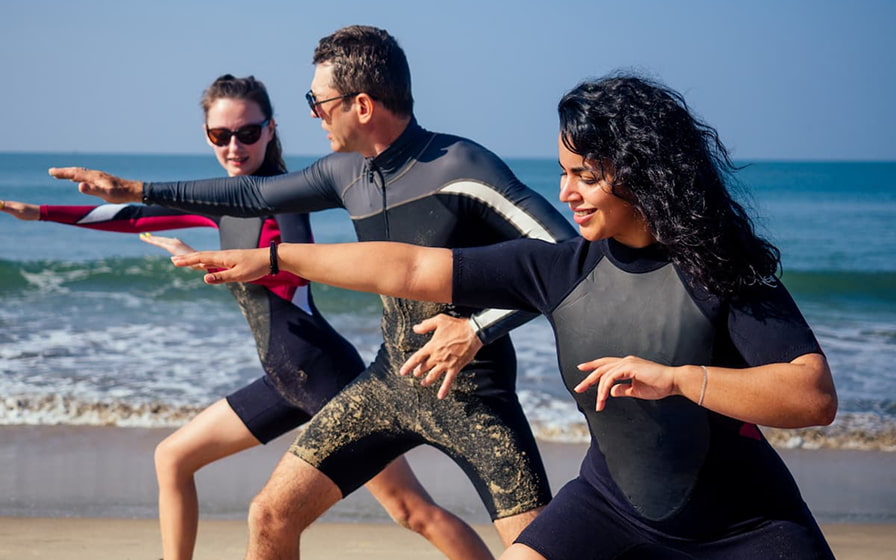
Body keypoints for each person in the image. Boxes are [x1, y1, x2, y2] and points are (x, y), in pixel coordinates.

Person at [170, 74, 839, 559]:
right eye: (562, 171)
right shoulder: (563, 268)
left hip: (745, 528)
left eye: (585, 175)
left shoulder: (719, 268)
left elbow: (812, 396)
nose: (566, 193)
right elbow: (406, 268)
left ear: (641, 173)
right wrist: (278, 257)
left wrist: (675, 378)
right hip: (610, 509)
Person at [49, 26, 577, 558]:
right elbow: (252, 193)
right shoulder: (347, 173)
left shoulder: (460, 167)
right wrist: (136, 191)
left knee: (535, 551)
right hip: (389, 382)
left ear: (362, 105)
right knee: (271, 515)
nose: (313, 114)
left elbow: (566, 260)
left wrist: (474, 329)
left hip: (473, 396)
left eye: (318, 101)